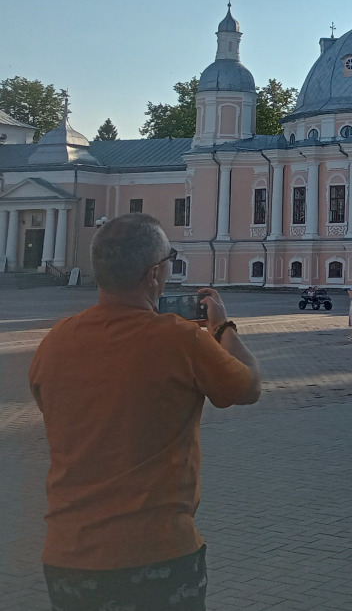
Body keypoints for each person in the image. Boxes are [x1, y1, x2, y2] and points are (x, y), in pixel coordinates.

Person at [28, 213, 261, 611]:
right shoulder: (179, 338)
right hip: (157, 553)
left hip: (68, 556)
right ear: (154, 274)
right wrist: (223, 329)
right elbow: (248, 386)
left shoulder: (55, 342)